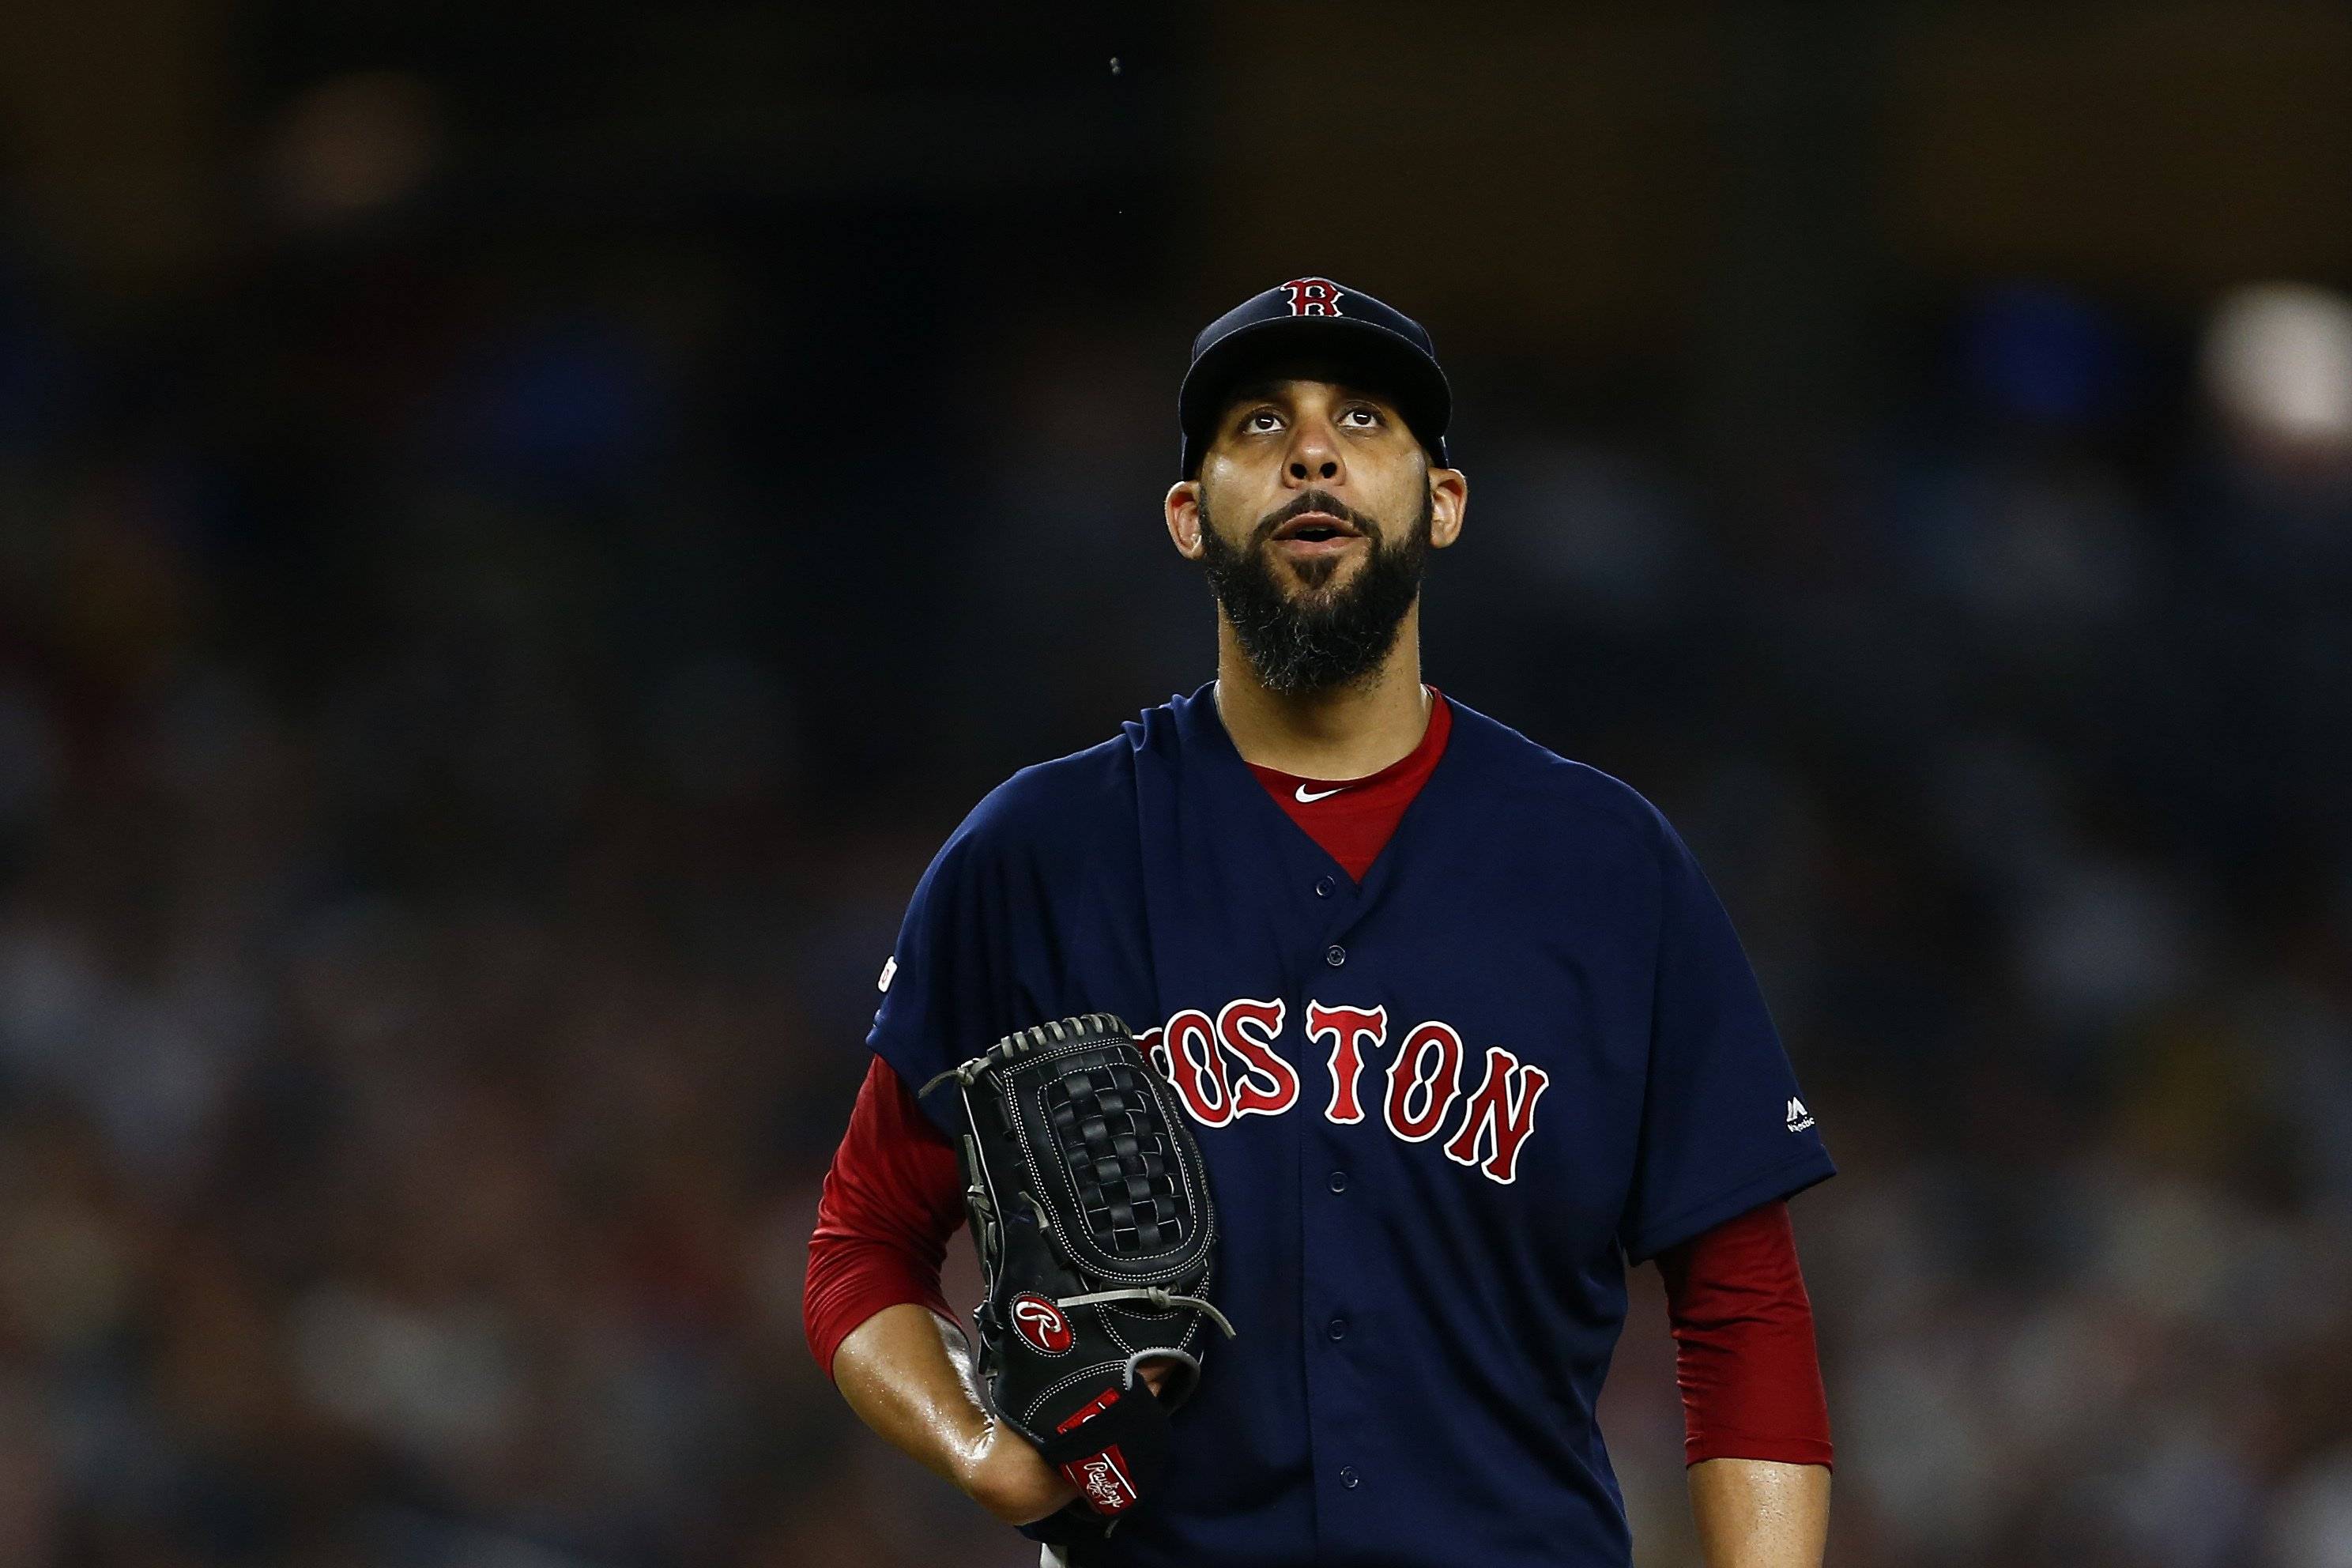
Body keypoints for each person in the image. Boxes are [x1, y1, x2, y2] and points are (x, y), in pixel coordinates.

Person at [805, 277, 1836, 1567]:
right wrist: (976, 1448)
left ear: (1441, 502)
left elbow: (1744, 1309)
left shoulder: (1608, 865)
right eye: (1257, 423)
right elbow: (862, 1244)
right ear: (1188, 516)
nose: (1310, 452)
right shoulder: (1038, 855)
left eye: (1362, 418)